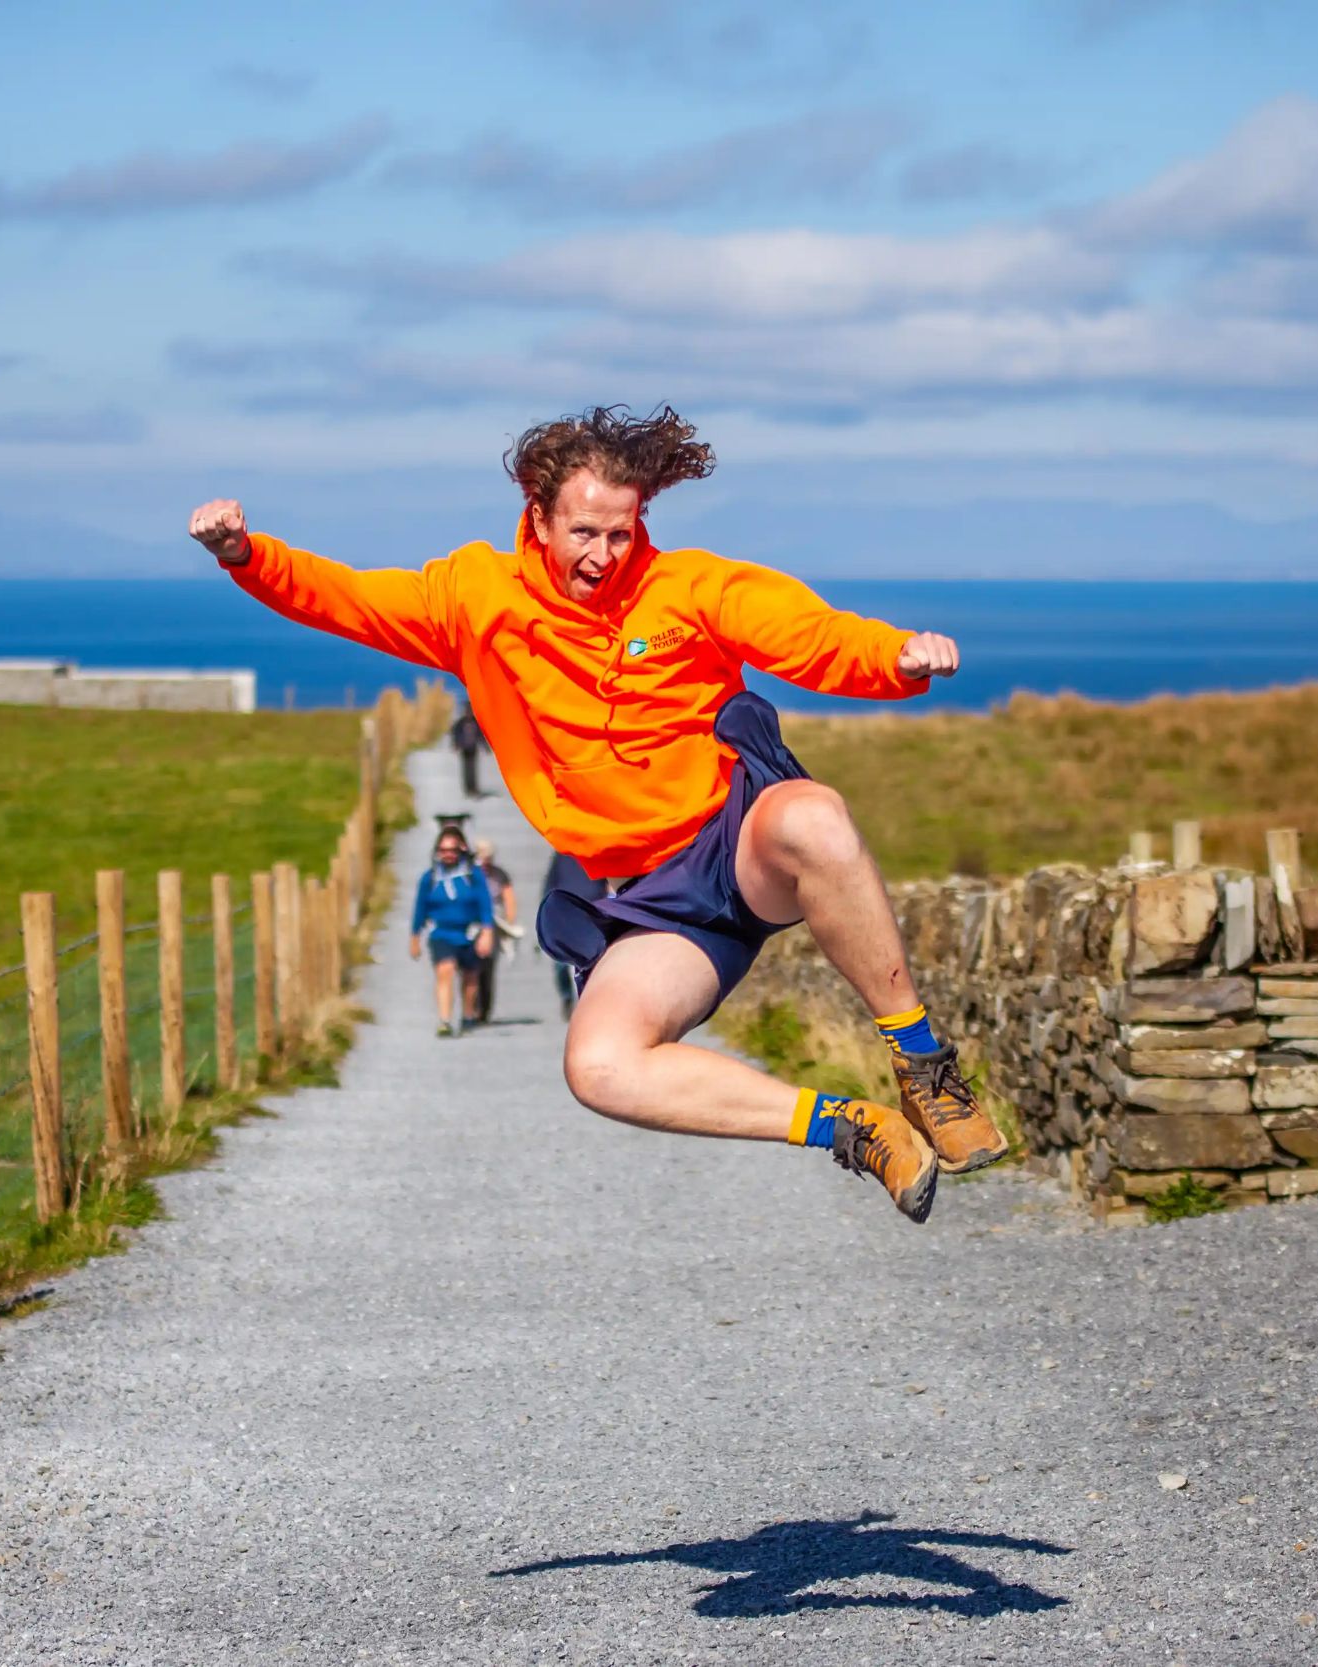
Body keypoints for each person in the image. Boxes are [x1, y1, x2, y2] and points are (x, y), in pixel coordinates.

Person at [191, 404, 1004, 1223]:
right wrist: (246, 556)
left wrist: (892, 657)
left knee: (815, 816)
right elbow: (351, 600)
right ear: (536, 515)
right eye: (584, 532)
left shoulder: (685, 586)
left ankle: (924, 1063)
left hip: (734, 845)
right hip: (646, 900)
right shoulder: (476, 596)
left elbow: (802, 631)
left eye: (622, 533)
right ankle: (853, 1126)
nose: (603, 556)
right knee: (600, 1065)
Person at [408, 826, 494, 1038]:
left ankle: (467, 1015)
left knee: (470, 977)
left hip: (469, 933)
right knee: (445, 971)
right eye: (443, 850)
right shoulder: (430, 878)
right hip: (442, 934)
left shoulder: (473, 876)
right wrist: (415, 937)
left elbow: (485, 904)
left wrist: (487, 931)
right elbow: (420, 908)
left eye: (452, 850)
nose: (448, 854)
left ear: (461, 850)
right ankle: (445, 1020)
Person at [541, 849, 606, 1021]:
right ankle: (566, 996)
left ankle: (586, 1002)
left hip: (593, 911)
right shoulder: (562, 854)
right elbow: (551, 881)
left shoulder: (598, 850)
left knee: (592, 959)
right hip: (564, 910)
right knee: (561, 963)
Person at [468, 838, 517, 1025]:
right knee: (470, 967)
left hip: (494, 922)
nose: (486, 861)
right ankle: (470, 1008)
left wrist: (510, 923)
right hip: (472, 922)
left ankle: (484, 1009)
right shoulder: (470, 874)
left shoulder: (500, 875)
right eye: (482, 857)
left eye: (489, 857)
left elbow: (508, 898)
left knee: (487, 967)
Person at [450, 702, 487, 799]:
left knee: (473, 769)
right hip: (464, 748)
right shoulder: (460, 723)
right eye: (467, 711)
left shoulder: (476, 723)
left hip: (473, 748)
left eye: (470, 711)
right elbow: (456, 734)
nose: (468, 713)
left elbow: (480, 736)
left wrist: (485, 747)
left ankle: (473, 788)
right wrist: (456, 745)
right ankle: (467, 789)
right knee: (466, 769)